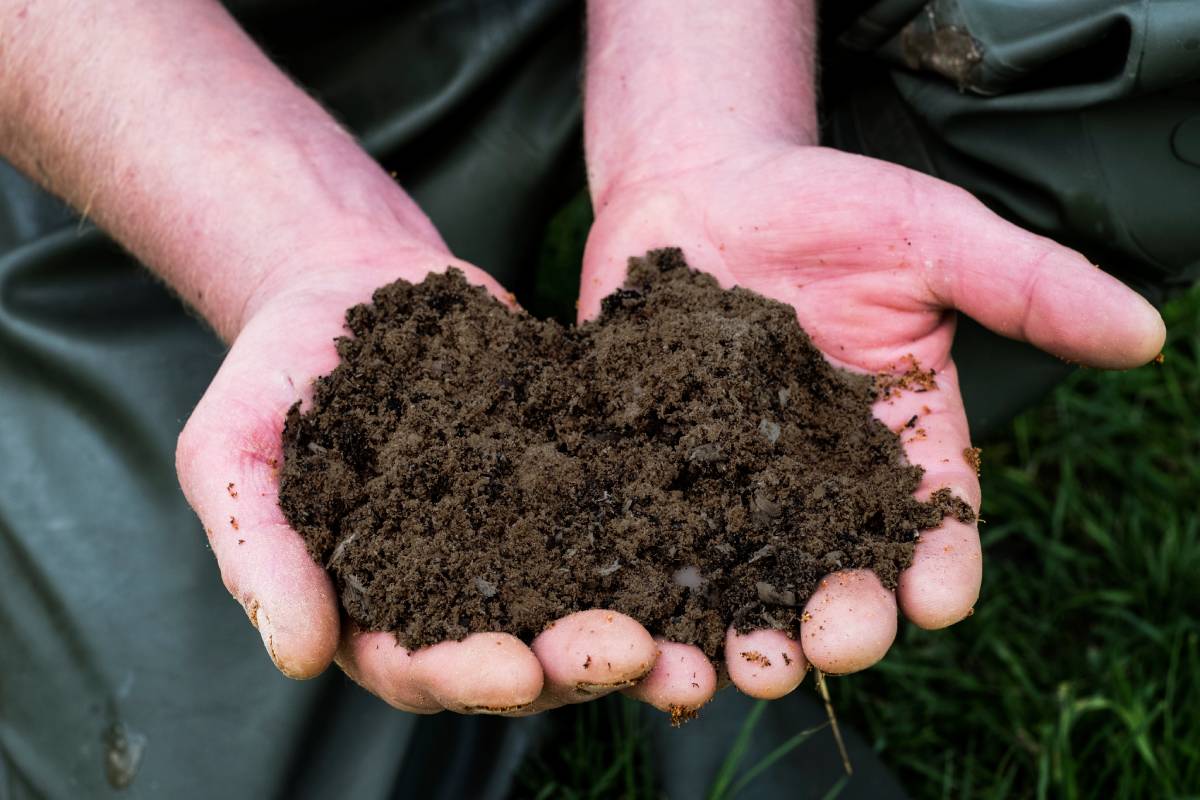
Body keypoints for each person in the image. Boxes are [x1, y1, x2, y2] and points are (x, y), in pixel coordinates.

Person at [0, 0, 1188, 796]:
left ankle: (711, 660)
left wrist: (706, 118)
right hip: (183, 71)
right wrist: (287, 244)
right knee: (173, 762)